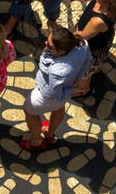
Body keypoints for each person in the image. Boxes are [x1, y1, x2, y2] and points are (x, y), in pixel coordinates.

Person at [19, 23, 91, 151]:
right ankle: (50, 134)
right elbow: (88, 60)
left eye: (50, 46)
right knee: (59, 108)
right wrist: (80, 79)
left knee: (28, 110)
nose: (46, 44)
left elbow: (56, 95)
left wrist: (72, 90)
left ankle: (36, 141)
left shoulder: (56, 71)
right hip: (64, 89)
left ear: (61, 52)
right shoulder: (82, 44)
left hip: (46, 96)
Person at [71, 0, 116, 94]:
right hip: (101, 40)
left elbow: (82, 36)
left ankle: (83, 89)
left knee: (85, 74)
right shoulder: (111, 8)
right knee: (94, 67)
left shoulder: (98, 21)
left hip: (92, 50)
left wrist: (73, 34)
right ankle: (96, 69)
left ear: (106, 2)